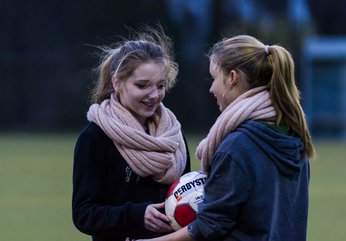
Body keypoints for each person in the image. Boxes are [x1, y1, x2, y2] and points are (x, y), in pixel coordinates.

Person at [131, 34, 315, 241]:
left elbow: (210, 225)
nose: (211, 89)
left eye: (214, 78)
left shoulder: (237, 147)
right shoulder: (294, 138)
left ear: (232, 78)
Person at [72, 26, 191, 241]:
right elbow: (84, 214)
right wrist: (136, 214)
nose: (154, 95)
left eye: (161, 85)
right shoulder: (95, 139)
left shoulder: (173, 136)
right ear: (117, 83)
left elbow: (185, 195)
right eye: (142, 85)